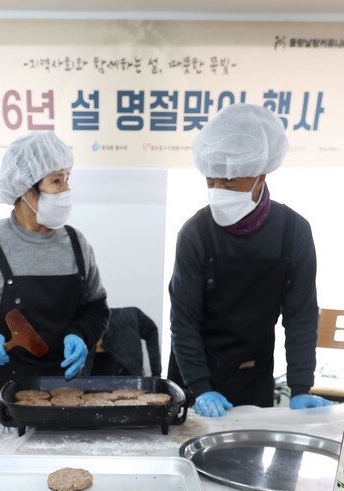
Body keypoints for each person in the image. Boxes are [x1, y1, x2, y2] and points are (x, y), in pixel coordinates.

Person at [167, 103, 330, 417]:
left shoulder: (293, 231)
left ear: (261, 174)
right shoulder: (196, 233)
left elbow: (301, 315)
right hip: (193, 376)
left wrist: (301, 387)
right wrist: (200, 387)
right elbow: (184, 320)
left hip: (251, 372)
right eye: (211, 180)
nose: (218, 190)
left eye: (231, 181)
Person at [0, 131, 109, 399]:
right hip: (7, 395)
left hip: (69, 392)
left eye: (67, 179)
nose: (66, 190)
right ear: (25, 187)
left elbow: (96, 308)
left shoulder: (77, 244)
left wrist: (82, 333)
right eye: (56, 181)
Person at [93, 306, 161, 378]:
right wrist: (156, 374)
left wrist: (156, 374)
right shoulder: (133, 315)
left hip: (125, 370)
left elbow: (151, 330)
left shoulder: (133, 316)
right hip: (127, 372)